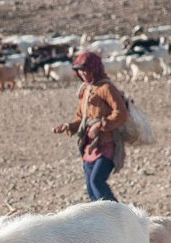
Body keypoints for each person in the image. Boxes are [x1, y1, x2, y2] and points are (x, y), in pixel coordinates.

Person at [53, 51, 126, 203]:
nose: (84, 73)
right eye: (80, 70)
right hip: (90, 146)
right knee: (90, 188)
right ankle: (102, 220)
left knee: (97, 182)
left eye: (87, 70)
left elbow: (120, 113)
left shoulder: (106, 88)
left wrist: (100, 125)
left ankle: (119, 216)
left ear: (95, 69)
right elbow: (82, 117)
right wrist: (68, 126)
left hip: (107, 144)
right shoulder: (86, 90)